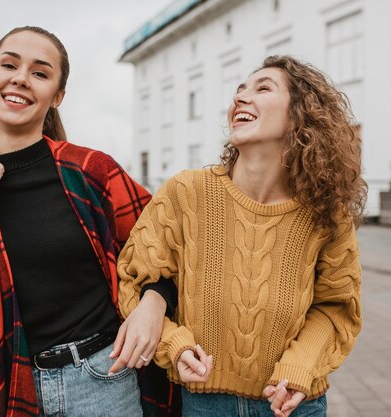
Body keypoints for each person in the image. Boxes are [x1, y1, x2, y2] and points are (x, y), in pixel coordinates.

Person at [0, 26, 180, 417]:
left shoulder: (91, 172)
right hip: (6, 384)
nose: (20, 78)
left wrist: (155, 302)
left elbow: (169, 247)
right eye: (9, 65)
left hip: (104, 380)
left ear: (57, 97)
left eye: (40, 72)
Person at [118, 55, 367, 417]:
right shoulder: (185, 193)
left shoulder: (326, 211)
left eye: (263, 88)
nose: (240, 98)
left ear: (301, 115)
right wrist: (175, 345)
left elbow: (337, 308)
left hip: (293, 403)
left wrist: (299, 369)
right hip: (205, 402)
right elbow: (135, 280)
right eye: (239, 91)